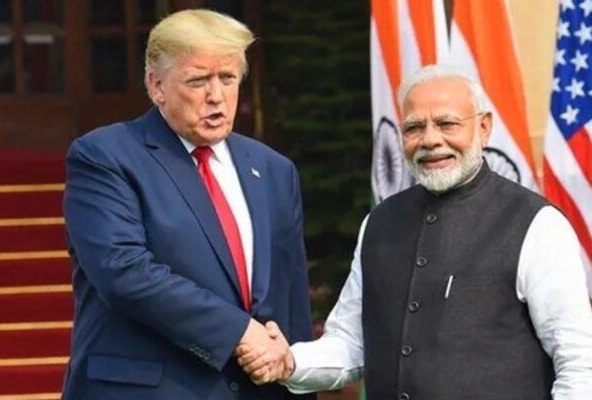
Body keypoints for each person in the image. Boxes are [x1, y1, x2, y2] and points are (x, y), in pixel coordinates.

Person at [236, 65, 592, 399]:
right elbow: (350, 344)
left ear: (484, 128)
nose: (430, 140)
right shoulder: (380, 222)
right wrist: (289, 361)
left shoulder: (537, 224)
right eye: (414, 128)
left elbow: (579, 361)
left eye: (447, 123)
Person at [62, 9, 314, 399]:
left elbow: (291, 297)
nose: (216, 96)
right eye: (198, 81)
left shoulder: (274, 170)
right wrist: (238, 331)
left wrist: (298, 380)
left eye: (227, 78)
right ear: (156, 85)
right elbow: (123, 271)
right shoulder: (105, 156)